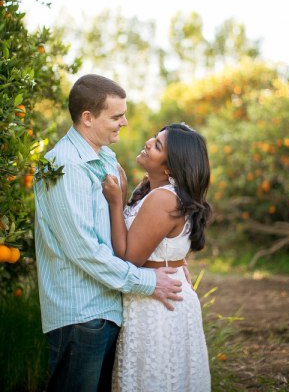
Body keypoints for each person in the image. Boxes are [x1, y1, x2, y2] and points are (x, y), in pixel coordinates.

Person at [33, 74, 184, 392]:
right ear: (88, 118)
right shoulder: (66, 167)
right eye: (116, 116)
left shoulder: (104, 158)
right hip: (81, 315)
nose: (125, 122)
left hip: (105, 310)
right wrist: (148, 281)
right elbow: (84, 250)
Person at [102, 122, 212, 392]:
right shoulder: (155, 192)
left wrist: (117, 202)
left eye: (158, 145)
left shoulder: (163, 198)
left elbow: (129, 258)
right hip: (155, 295)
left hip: (158, 305)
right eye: (155, 137)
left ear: (169, 168)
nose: (149, 142)